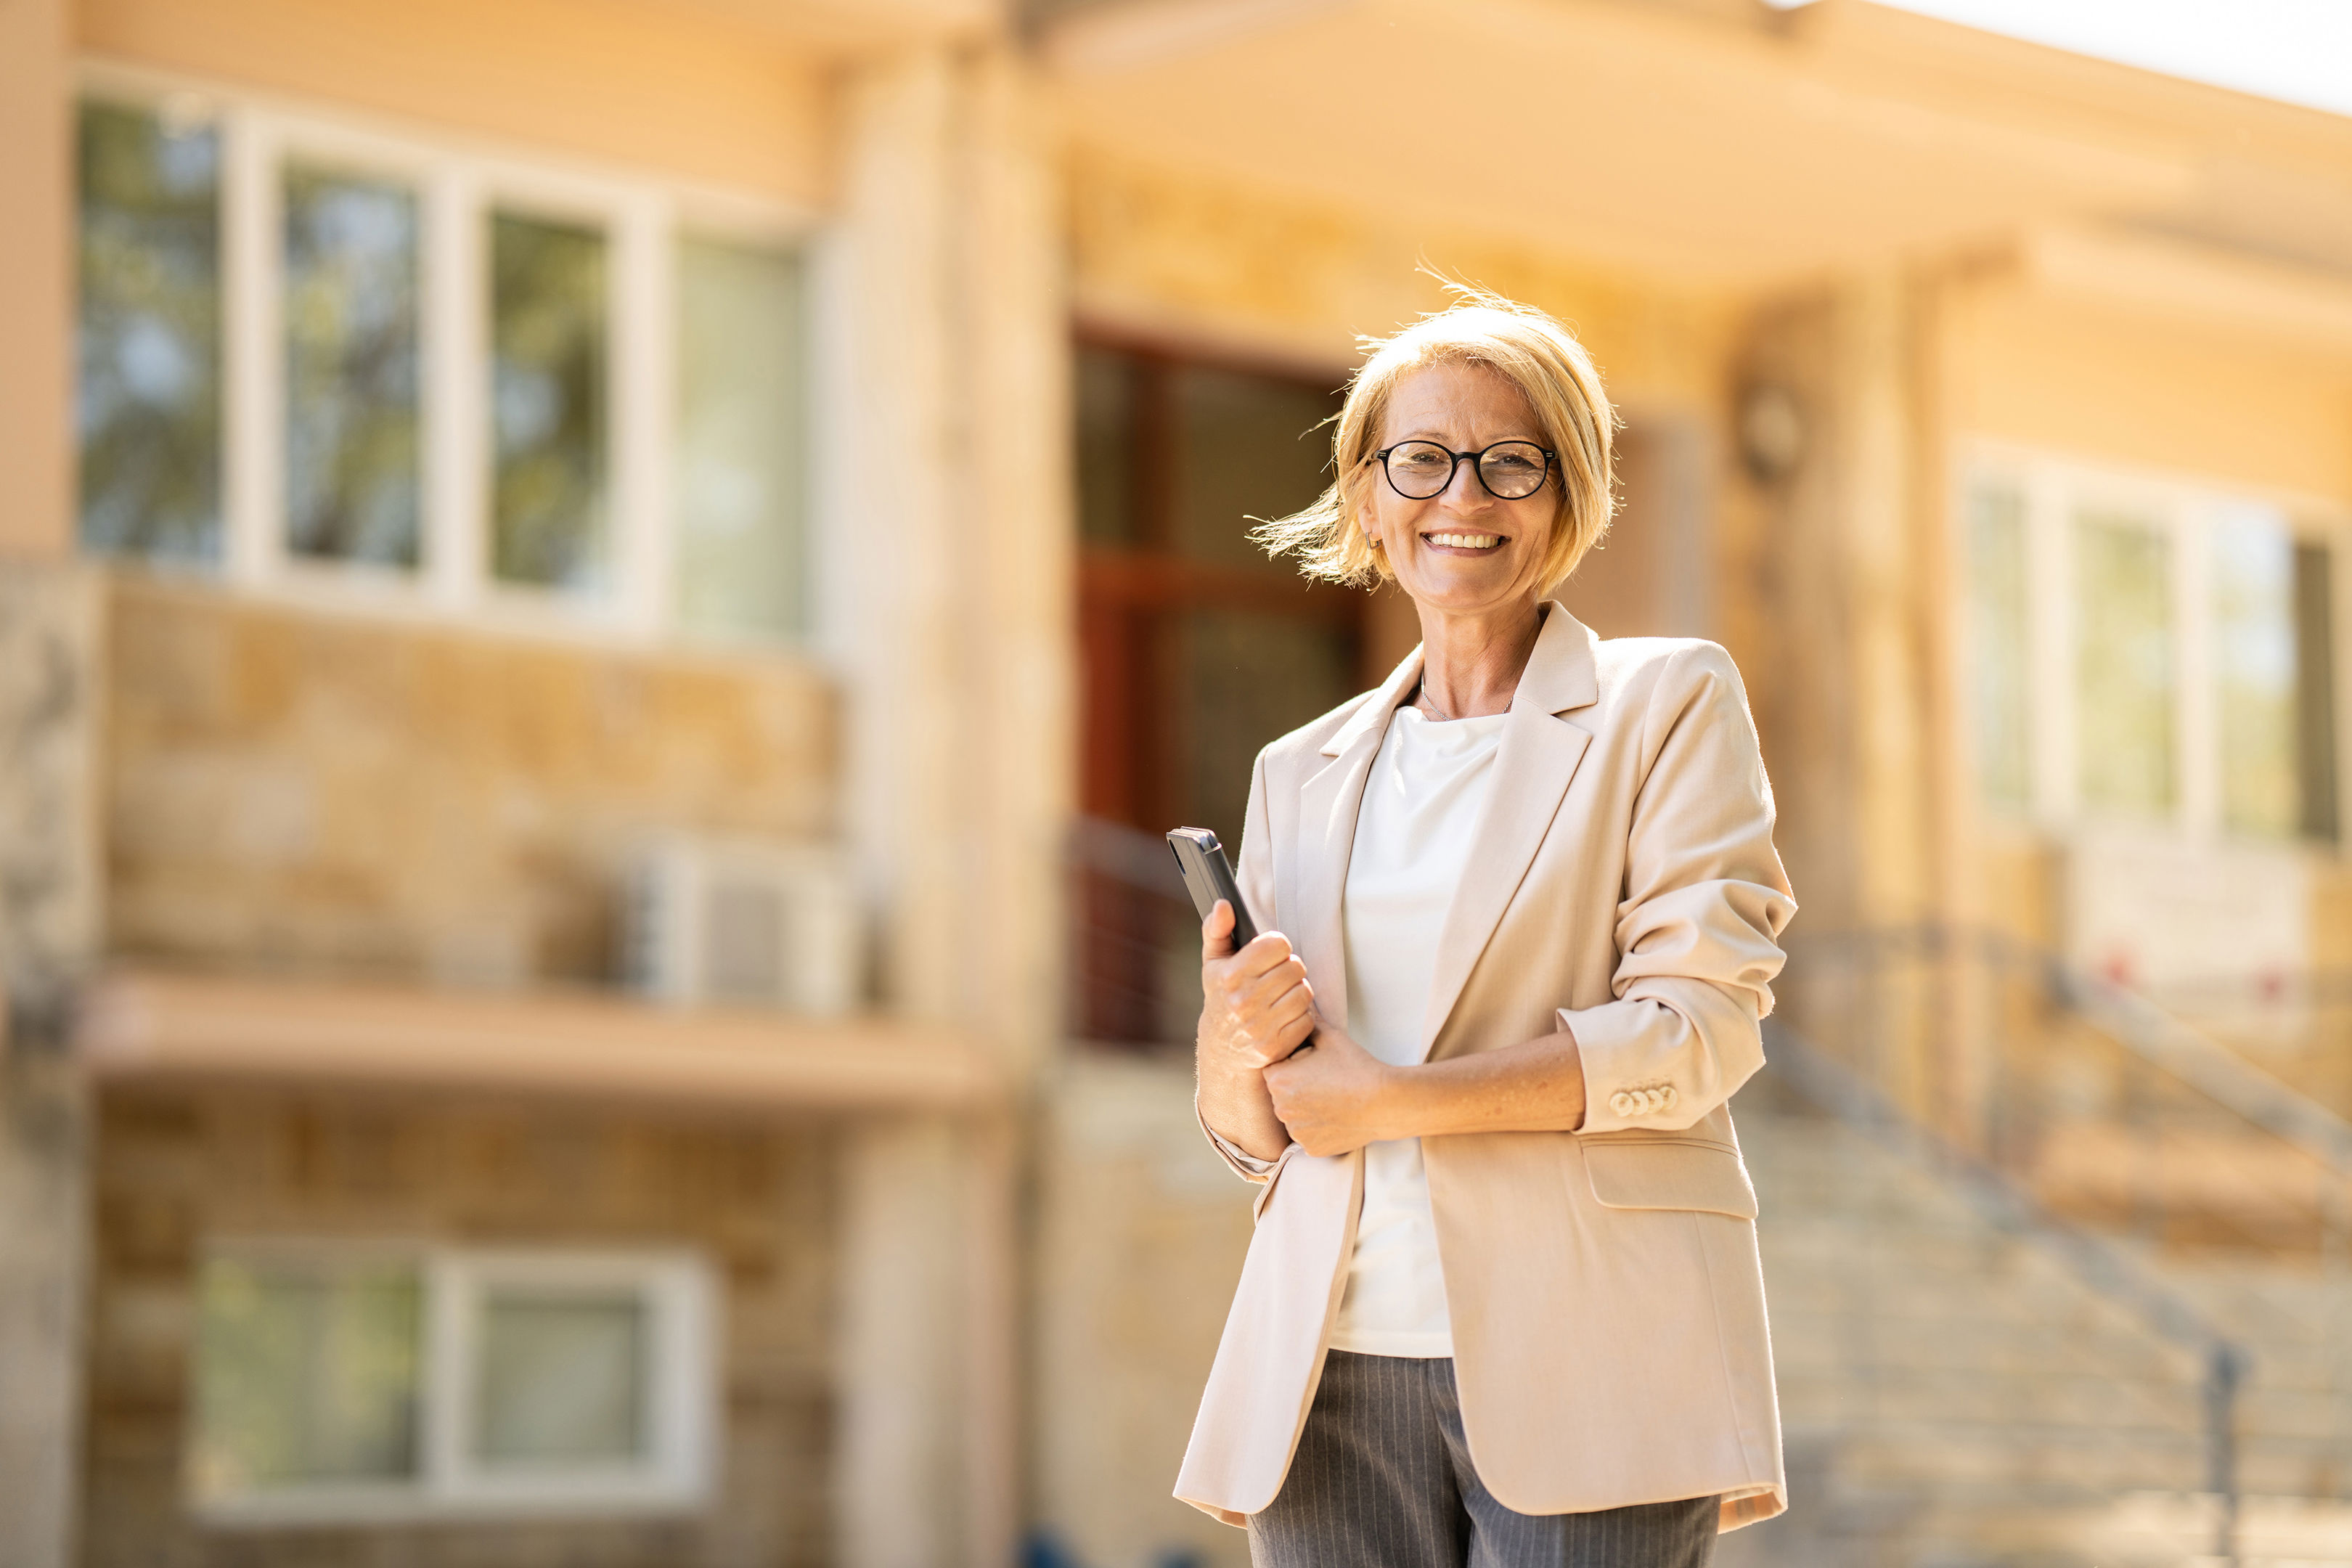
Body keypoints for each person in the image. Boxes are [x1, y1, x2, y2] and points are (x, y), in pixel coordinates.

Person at [1174, 287, 1797, 1567]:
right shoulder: (1302, 767)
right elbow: (1264, 1137)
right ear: (1366, 496)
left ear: (1570, 500)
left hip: (1597, 1348)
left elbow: (1692, 1034)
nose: (1464, 495)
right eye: (1421, 459)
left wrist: (1393, 1099)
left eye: (1514, 461)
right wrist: (1233, 1045)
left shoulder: (1666, 702)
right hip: (1329, 1367)